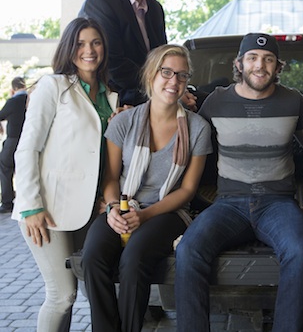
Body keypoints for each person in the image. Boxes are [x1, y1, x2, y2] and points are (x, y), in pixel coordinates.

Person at [174, 33, 303, 332]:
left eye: (268, 59)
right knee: (188, 250)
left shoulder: (293, 101)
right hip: (228, 204)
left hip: (278, 204)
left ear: (278, 67)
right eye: (252, 58)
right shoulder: (216, 101)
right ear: (239, 63)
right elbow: (186, 133)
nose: (259, 65)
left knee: (301, 252)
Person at [81, 44, 212, 331]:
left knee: (135, 257)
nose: (174, 81)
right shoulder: (124, 122)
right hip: (124, 206)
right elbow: (111, 178)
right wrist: (115, 208)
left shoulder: (198, 128)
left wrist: (145, 215)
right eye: (166, 72)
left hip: (168, 211)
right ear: (151, 75)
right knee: (92, 258)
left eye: (181, 75)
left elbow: (187, 190)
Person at [12, 17, 118, 332]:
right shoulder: (53, 86)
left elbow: (100, 157)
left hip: (89, 211)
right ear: (69, 48)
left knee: (76, 293)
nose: (89, 50)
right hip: (48, 211)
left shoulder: (110, 96)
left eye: (95, 42)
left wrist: (103, 198)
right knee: (62, 294)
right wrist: (31, 205)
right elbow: (27, 148)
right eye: (81, 43)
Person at [79, 0, 167, 107]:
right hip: (114, 99)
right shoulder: (101, 3)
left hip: (149, 95)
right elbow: (113, 65)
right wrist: (160, 89)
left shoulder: (155, 9)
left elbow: (162, 57)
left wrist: (173, 85)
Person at [0, 76, 27, 214]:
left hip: (14, 140)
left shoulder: (13, 101)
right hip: (29, 140)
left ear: (13, 89)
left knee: (5, 168)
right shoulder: (31, 99)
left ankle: (7, 203)